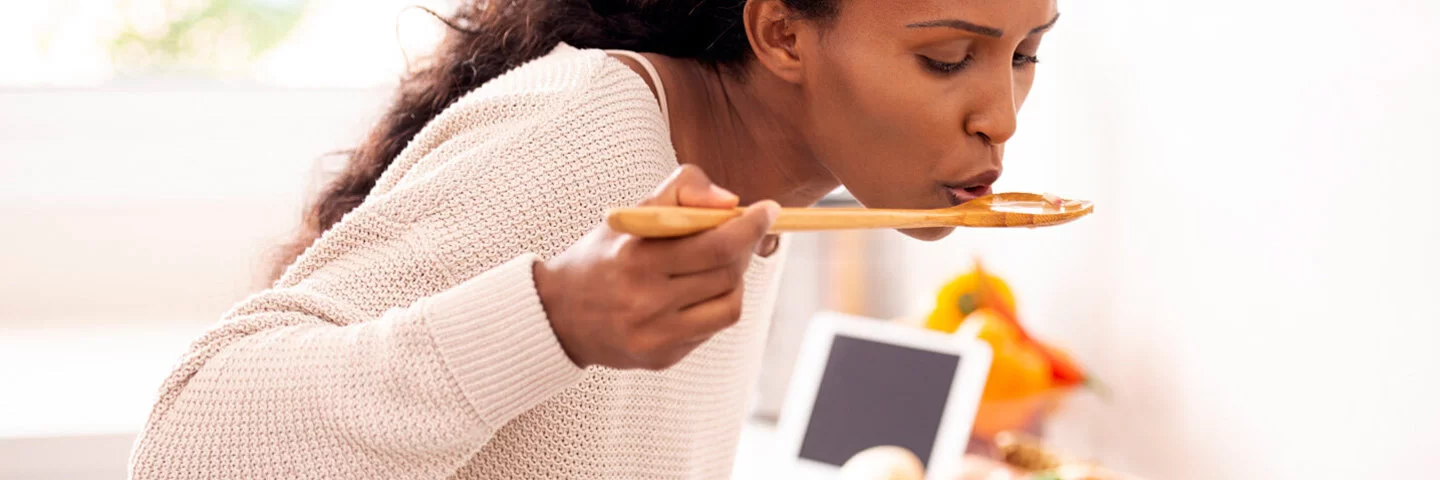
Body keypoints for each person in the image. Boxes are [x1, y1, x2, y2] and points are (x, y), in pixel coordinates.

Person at [130, 0, 1059, 477]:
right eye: (946, 59)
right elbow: (189, 443)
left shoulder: (760, 199)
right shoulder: (583, 134)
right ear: (781, 34)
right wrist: (556, 316)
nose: (1002, 118)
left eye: (1024, 54)